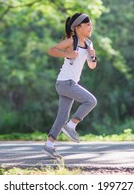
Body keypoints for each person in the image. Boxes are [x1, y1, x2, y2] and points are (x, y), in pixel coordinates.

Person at [43, 13, 98, 159]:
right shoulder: (70, 41)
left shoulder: (88, 44)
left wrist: (92, 54)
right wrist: (67, 55)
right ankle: (72, 126)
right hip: (64, 83)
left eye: (90, 24)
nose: (90, 27)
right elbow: (52, 50)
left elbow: (92, 66)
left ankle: (49, 146)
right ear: (78, 27)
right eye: (87, 25)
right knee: (91, 101)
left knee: (62, 117)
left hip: (70, 83)